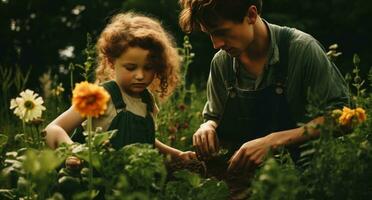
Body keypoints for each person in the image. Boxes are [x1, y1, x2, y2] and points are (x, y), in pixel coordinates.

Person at [179, 0, 349, 192]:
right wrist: (207, 126)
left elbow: (341, 117)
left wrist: (273, 141)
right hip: (242, 184)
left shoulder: (302, 49)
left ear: (251, 15)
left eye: (222, 32)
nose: (216, 44)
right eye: (209, 34)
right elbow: (214, 116)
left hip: (302, 183)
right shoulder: (221, 63)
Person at [45, 12, 196, 161]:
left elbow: (146, 143)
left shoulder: (147, 102)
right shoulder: (99, 96)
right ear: (111, 62)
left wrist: (178, 155)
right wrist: (73, 152)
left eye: (148, 68)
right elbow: (53, 129)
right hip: (92, 179)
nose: (140, 75)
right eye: (130, 67)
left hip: (132, 182)